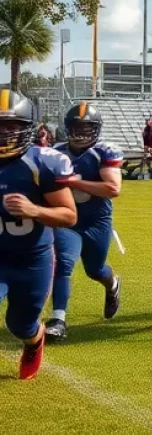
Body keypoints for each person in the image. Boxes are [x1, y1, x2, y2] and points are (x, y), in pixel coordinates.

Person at [0, 88, 77, 380]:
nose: (5, 133)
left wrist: (35, 210)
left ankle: (34, 340)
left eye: (12, 126)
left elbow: (69, 216)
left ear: (28, 127)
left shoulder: (41, 163)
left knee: (20, 325)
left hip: (33, 260)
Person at [45, 104, 123, 340]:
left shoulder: (104, 151)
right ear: (68, 128)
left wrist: (72, 181)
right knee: (63, 263)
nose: (81, 133)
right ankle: (58, 319)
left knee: (95, 269)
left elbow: (112, 188)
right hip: (67, 218)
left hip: (97, 220)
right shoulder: (54, 152)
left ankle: (112, 284)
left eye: (87, 127)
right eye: (76, 127)